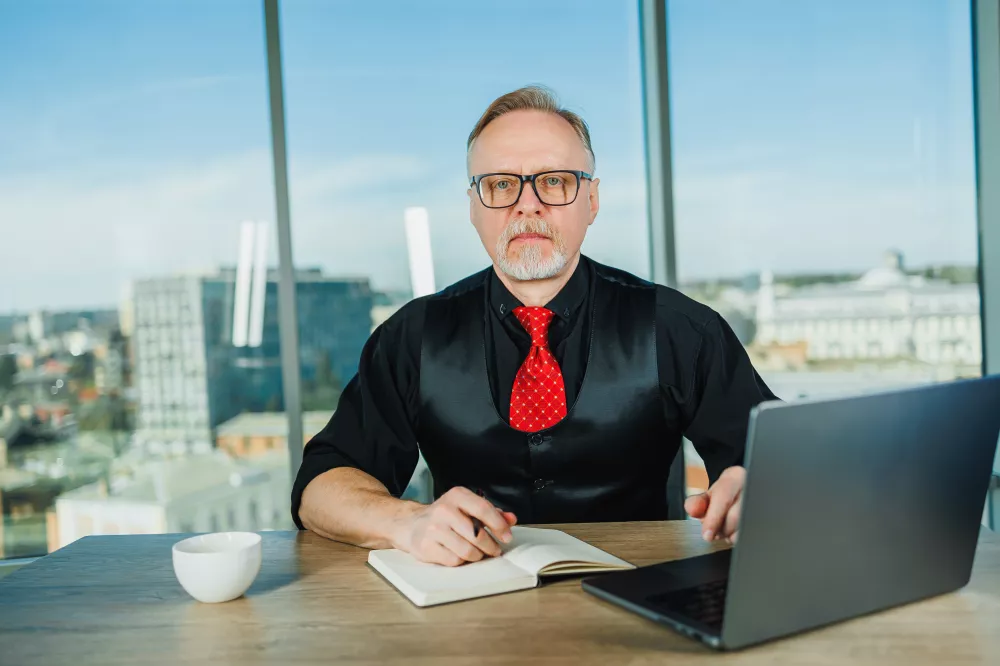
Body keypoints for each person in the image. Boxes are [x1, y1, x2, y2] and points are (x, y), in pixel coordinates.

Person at [293, 86, 777, 567]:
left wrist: (761, 484)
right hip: (463, 605)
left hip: (642, 595)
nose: (527, 205)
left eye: (554, 181)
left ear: (591, 200)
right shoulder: (411, 336)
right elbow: (321, 486)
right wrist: (405, 522)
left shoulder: (680, 328)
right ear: (473, 207)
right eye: (501, 184)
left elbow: (785, 458)